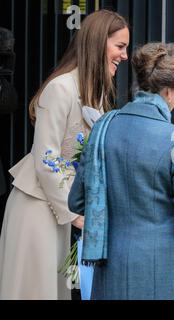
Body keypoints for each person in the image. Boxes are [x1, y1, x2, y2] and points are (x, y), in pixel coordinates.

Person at [0, 10, 129, 300]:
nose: (125, 56)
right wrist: (77, 215)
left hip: (60, 210)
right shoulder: (60, 88)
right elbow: (46, 159)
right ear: (98, 44)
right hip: (36, 208)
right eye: (120, 47)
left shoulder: (93, 93)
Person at [68, 42, 174, 300]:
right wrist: (172, 241)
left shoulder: (102, 129)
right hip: (162, 266)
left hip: (110, 264)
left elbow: (76, 200)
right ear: (167, 92)